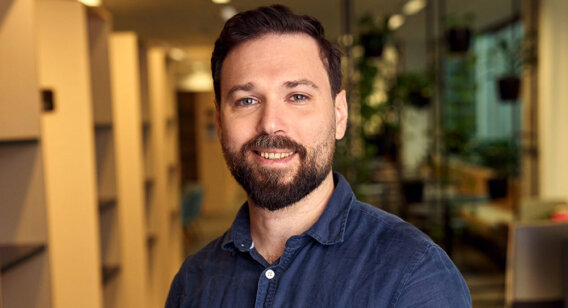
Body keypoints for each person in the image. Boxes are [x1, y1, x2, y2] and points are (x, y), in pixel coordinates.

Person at [166, 5, 471, 307]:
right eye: (247, 100)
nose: (270, 123)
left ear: (339, 115)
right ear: (220, 125)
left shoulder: (414, 276)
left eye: (297, 96)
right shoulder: (193, 283)